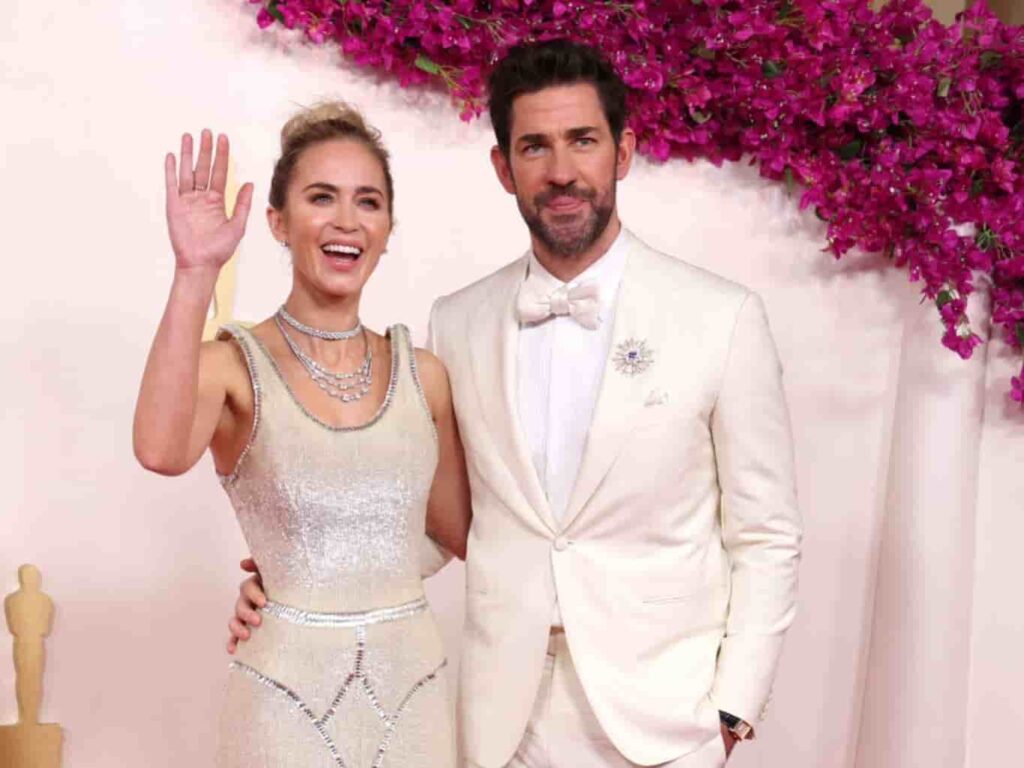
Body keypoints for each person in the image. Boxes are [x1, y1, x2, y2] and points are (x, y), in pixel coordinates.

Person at [232, 40, 802, 768]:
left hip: (668, 718)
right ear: (504, 168)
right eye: (535, 147)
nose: (561, 171)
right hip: (502, 722)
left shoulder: (722, 317)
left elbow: (766, 534)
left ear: (623, 152)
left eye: (583, 142)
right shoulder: (457, 322)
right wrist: (295, 583)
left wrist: (733, 710)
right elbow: (453, 522)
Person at [133, 102, 470, 767]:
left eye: (367, 202)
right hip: (282, 708)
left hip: (416, 701)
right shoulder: (233, 366)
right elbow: (160, 450)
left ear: (387, 227)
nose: (347, 221)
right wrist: (195, 273)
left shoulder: (424, 376)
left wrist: (342, 566)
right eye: (322, 198)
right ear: (279, 223)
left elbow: (462, 533)